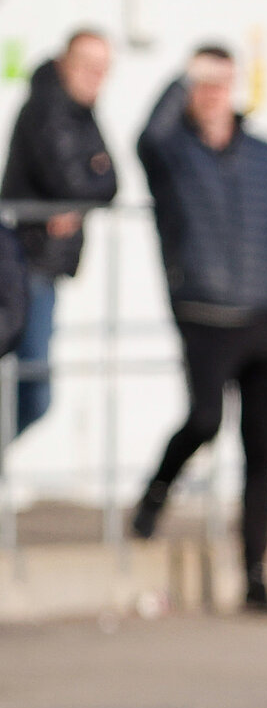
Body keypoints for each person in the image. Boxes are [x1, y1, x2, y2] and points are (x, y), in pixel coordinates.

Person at [131, 46, 267, 613]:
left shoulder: (263, 154)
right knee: (206, 419)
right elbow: (147, 135)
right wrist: (183, 79)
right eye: (201, 86)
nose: (211, 96)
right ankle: (158, 488)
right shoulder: (174, 151)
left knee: (262, 454)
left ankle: (257, 575)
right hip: (206, 313)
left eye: (220, 85)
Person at [0, 30, 116, 434]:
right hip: (24, 265)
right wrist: (83, 188)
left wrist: (82, 196)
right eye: (87, 65)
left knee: (30, 391)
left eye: (103, 69)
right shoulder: (49, 108)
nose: (95, 76)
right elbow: (80, 184)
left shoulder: (79, 111)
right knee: (33, 393)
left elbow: (111, 181)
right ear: (64, 62)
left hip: (41, 266)